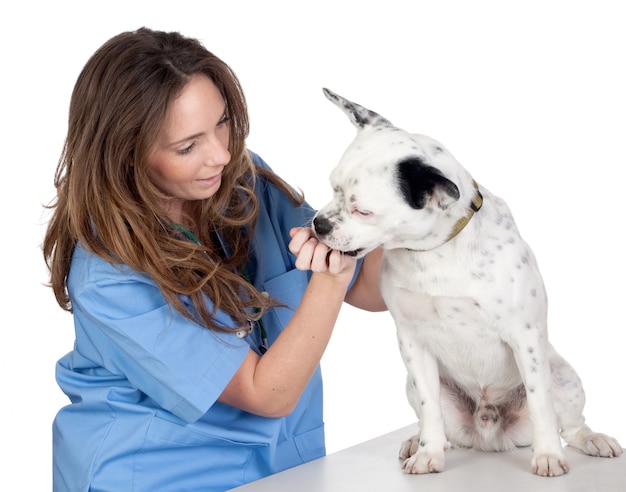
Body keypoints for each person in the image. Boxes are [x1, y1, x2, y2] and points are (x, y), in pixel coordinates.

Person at [43, 27, 386, 491]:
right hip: (155, 475)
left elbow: (371, 288)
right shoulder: (109, 276)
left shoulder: (243, 183)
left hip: (282, 465)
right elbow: (267, 393)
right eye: (188, 146)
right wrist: (329, 281)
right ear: (128, 155)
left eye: (222, 122)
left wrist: (395, 204)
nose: (221, 154)